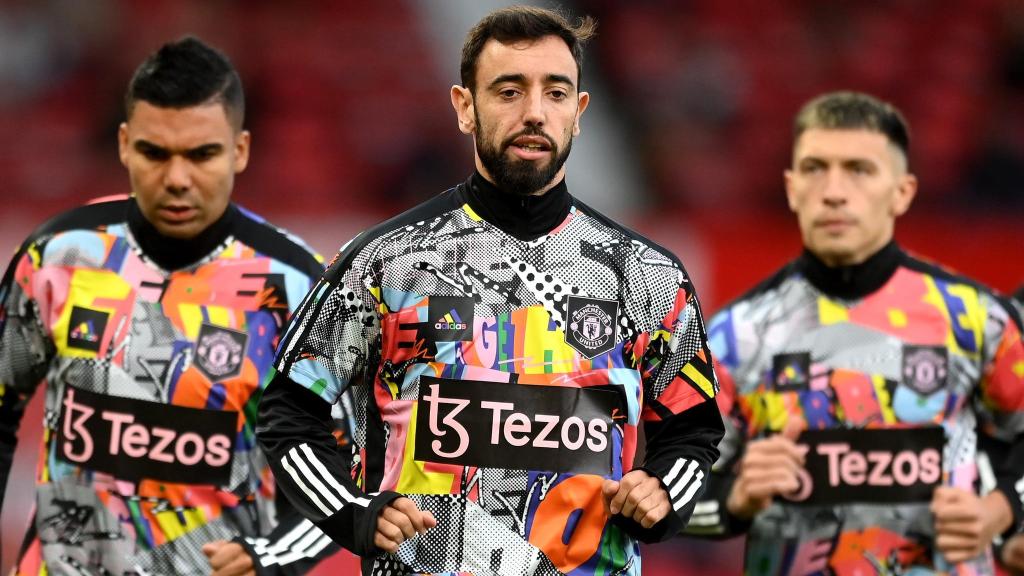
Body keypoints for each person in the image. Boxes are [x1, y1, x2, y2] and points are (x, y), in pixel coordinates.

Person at [256, 5, 724, 575]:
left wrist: (663, 493)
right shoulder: (386, 263)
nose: (534, 112)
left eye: (555, 93)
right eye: (508, 91)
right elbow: (287, 409)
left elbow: (694, 427)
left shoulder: (646, 276)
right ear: (464, 108)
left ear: (578, 113)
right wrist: (352, 512)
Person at [0, 37, 343, 575]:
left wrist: (272, 556)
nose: (177, 178)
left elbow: (348, 462)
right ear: (123, 144)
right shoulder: (60, 256)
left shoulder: (298, 287)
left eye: (202, 154)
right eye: (155, 152)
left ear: (241, 150)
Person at [683, 91, 1024, 574]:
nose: (834, 191)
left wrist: (1001, 509)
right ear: (792, 187)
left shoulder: (975, 319)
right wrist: (737, 498)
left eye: (859, 170)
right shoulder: (734, 337)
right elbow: (666, 491)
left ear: (902, 191)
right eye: (815, 168)